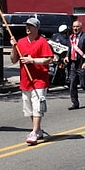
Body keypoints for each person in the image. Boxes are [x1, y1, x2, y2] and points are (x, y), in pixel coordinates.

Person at [10, 17, 53, 145]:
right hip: (25, 80)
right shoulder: (21, 42)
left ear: (36, 28)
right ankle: (38, 130)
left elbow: (48, 60)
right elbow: (13, 60)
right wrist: (13, 46)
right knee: (28, 108)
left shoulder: (42, 42)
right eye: (27, 26)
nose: (28, 28)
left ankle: (34, 132)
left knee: (37, 107)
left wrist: (32, 60)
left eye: (31, 26)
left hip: (39, 80)